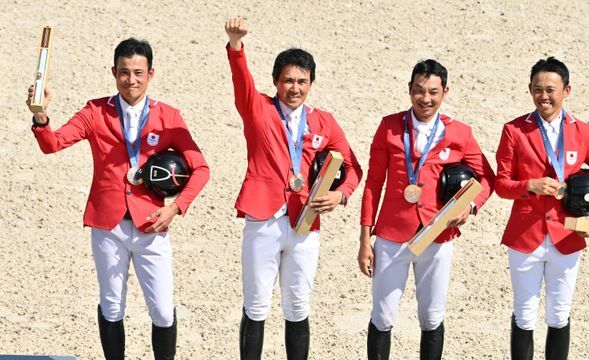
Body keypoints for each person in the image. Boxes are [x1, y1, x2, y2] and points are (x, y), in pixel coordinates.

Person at [26, 38, 210, 360]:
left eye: (138, 72)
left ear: (151, 74)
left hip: (152, 224)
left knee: (164, 312)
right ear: (114, 73)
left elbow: (202, 169)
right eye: (124, 72)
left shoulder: (169, 116)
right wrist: (41, 118)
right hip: (108, 224)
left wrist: (176, 208)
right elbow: (53, 144)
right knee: (112, 306)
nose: (131, 80)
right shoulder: (95, 111)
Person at [224, 17, 363, 359]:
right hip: (263, 219)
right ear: (275, 81)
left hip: (305, 222)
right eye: (288, 80)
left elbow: (353, 168)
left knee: (298, 304)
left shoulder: (323, 121)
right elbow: (241, 80)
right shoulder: (257, 108)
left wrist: (340, 194)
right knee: (256, 304)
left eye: (302, 81)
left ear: (311, 83)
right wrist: (236, 45)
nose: (295, 88)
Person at [358, 59, 495, 360]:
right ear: (409, 90)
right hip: (392, 235)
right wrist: (364, 239)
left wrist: (470, 207)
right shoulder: (389, 127)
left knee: (432, 317)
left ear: (445, 92)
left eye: (433, 91)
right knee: (383, 316)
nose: (426, 98)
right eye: (419, 90)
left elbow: (487, 177)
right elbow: (373, 184)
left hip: (438, 235)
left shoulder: (459, 133)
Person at [495, 57, 589, 360]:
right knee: (524, 314)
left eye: (551, 90)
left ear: (567, 90)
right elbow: (500, 184)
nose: (544, 97)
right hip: (525, 235)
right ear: (529, 90)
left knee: (559, 314)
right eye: (537, 89)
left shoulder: (584, 133)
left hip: (567, 236)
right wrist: (528, 186)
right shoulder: (514, 130)